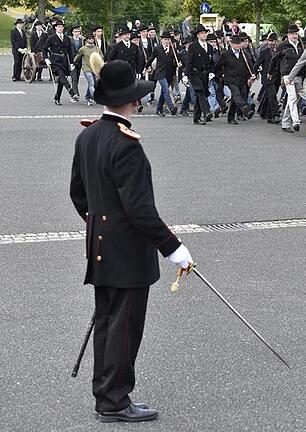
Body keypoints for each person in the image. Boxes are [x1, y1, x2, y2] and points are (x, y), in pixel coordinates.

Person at [69, 59, 194, 424]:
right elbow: (141, 210)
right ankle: (114, 401)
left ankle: (105, 392)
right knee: (124, 327)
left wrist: (99, 224)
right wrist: (174, 248)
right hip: (126, 250)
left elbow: (79, 195)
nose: (139, 103)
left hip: (101, 246)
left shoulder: (87, 136)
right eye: (136, 98)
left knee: (108, 321)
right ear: (130, 102)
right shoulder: (126, 145)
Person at [272, 24, 305, 132]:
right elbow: (274, 59)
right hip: (287, 75)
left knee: (294, 99)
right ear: (288, 35)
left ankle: (285, 123)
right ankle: (295, 121)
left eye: (296, 34)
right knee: (292, 97)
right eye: (292, 34)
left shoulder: (301, 46)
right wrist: (270, 72)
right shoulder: (283, 46)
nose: (294, 36)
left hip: (299, 75)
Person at [215, 34, 254, 124]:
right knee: (236, 94)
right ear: (231, 44)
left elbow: (249, 66)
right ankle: (245, 109)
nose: (237, 46)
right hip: (230, 79)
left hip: (242, 79)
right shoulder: (226, 54)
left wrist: (251, 75)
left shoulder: (244, 54)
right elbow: (218, 66)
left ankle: (231, 117)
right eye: (235, 44)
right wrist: (220, 76)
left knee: (241, 96)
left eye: (239, 43)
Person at [42, 20, 79, 105]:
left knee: (61, 81)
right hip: (55, 60)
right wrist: (46, 59)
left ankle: (57, 97)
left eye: (62, 27)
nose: (60, 28)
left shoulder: (67, 38)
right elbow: (44, 49)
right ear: (55, 28)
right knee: (61, 76)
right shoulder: (51, 38)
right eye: (59, 27)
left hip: (64, 61)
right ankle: (71, 92)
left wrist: (72, 63)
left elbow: (69, 51)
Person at [185, 24, 214, 125]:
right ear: (197, 35)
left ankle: (196, 118)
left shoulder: (209, 47)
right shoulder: (193, 46)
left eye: (205, 33)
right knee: (200, 91)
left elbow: (211, 62)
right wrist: (186, 75)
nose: (204, 35)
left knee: (199, 95)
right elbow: (189, 61)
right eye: (201, 33)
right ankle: (206, 112)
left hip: (205, 74)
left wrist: (212, 72)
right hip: (195, 72)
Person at [146, 31, 179, 116]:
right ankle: (171, 107)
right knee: (166, 89)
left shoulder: (173, 49)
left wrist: (180, 63)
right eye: (165, 39)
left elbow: (178, 59)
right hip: (160, 73)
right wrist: (146, 67)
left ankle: (159, 109)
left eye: (168, 39)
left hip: (169, 73)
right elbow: (151, 58)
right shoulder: (157, 48)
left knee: (163, 92)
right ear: (161, 40)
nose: (167, 41)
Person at [73, 32, 102, 105]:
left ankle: (87, 97)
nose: (91, 40)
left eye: (92, 39)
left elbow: (101, 57)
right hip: (86, 68)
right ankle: (96, 97)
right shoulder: (83, 49)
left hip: (95, 68)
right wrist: (73, 63)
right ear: (86, 40)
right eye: (89, 39)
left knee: (94, 83)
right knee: (91, 82)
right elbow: (77, 57)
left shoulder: (97, 48)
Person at [69, 25, 85, 98]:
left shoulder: (82, 41)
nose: (77, 33)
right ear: (72, 32)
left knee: (77, 77)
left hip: (79, 61)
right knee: (74, 77)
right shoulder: (70, 40)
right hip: (72, 60)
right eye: (75, 31)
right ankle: (76, 93)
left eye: (78, 31)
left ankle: (74, 92)